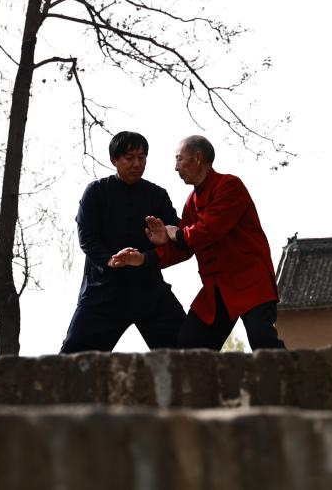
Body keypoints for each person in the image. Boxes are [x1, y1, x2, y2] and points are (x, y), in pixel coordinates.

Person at [108, 134, 285, 351]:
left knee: (263, 342)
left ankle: (298, 383)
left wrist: (176, 234)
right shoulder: (192, 202)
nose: (176, 167)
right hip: (217, 290)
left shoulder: (230, 186)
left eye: (179, 159)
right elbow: (184, 248)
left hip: (249, 281)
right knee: (191, 344)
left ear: (198, 157)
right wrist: (144, 258)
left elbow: (208, 230)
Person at [60, 131, 187, 353]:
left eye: (142, 157)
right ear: (114, 160)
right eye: (129, 158)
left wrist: (165, 237)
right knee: (73, 358)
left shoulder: (157, 195)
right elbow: (87, 237)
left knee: (189, 351)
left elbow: (178, 236)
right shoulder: (96, 192)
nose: (137, 164)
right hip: (103, 291)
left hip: (149, 289)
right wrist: (109, 260)